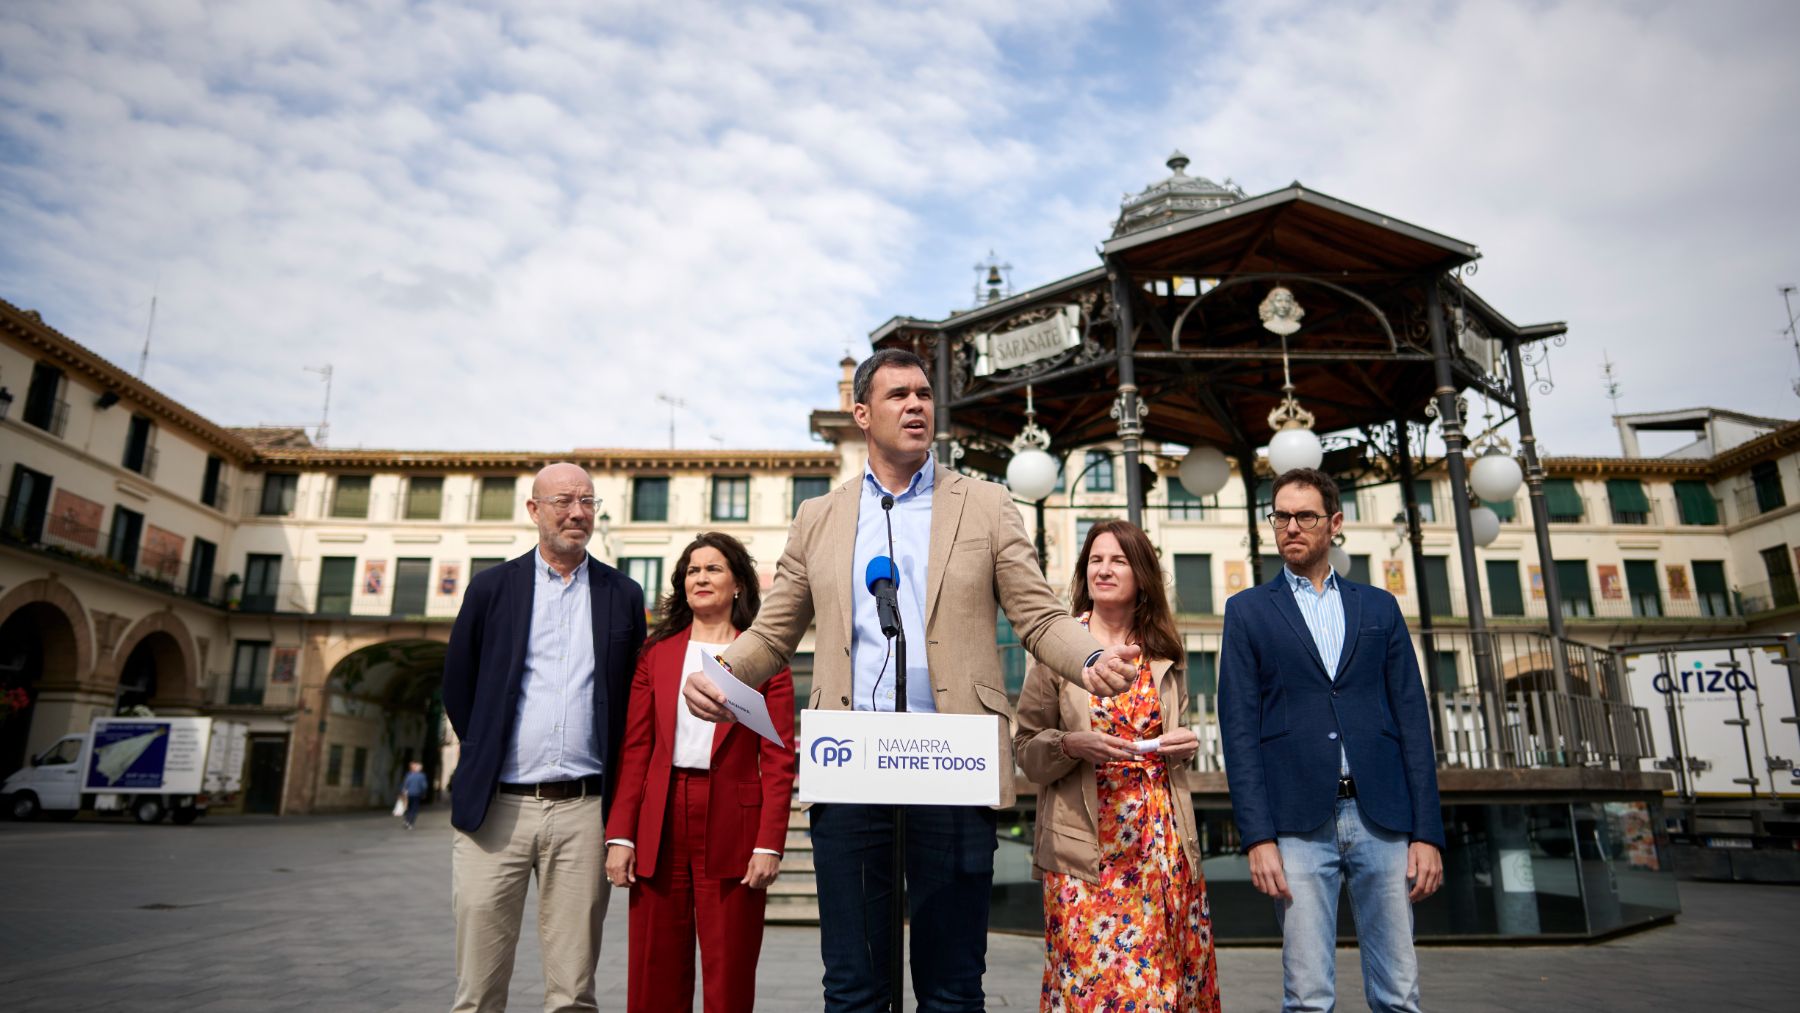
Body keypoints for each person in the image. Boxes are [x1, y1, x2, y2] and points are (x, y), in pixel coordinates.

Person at [683, 347, 1143, 1012]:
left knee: (953, 986)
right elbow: (774, 631)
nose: (917, 405)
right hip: (852, 765)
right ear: (863, 413)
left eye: (925, 394)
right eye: (899, 394)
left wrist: (1090, 659)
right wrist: (722, 674)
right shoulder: (820, 516)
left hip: (955, 762)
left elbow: (1038, 614)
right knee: (852, 984)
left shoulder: (985, 504)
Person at [1219, 468, 1444, 1013]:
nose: (1290, 527)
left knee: (1399, 993)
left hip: (1384, 819)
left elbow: (1413, 721)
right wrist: (1257, 837)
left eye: (1305, 516)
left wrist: (1428, 832)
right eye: (1281, 516)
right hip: (1295, 825)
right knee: (1307, 996)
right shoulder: (1247, 611)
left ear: (1335, 523)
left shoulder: (1379, 607)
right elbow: (1239, 731)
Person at [441, 462, 647, 1013]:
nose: (577, 513)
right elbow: (458, 685)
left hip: (585, 811)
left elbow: (631, 698)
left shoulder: (622, 594)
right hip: (496, 809)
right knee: (478, 989)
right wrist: (484, 749)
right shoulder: (491, 588)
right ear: (534, 510)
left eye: (587, 502)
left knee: (573, 992)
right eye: (562, 501)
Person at [1015, 519, 1222, 1012]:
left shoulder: (1165, 653)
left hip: (1161, 854)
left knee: (1161, 992)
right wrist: (1072, 744)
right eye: (1094, 560)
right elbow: (1025, 748)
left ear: (1142, 574)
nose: (1103, 570)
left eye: (1118, 560)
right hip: (1086, 858)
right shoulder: (1058, 650)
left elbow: (1178, 733)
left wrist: (1184, 743)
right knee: (1093, 994)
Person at [603, 533, 798, 1013]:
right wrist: (620, 835)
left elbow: (778, 758)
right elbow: (636, 749)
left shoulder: (763, 658)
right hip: (661, 816)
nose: (701, 578)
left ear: (737, 585)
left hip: (733, 821)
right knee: (654, 969)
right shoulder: (657, 654)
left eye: (713, 569)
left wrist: (769, 842)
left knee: (729, 969)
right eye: (692, 570)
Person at [400, 760, 429, 830]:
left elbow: (405, 784)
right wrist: (423, 793)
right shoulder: (422, 776)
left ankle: (406, 820)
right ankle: (410, 823)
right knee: (414, 809)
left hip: (409, 794)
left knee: (408, 808)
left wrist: (403, 792)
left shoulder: (409, 775)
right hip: (417, 794)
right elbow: (424, 786)